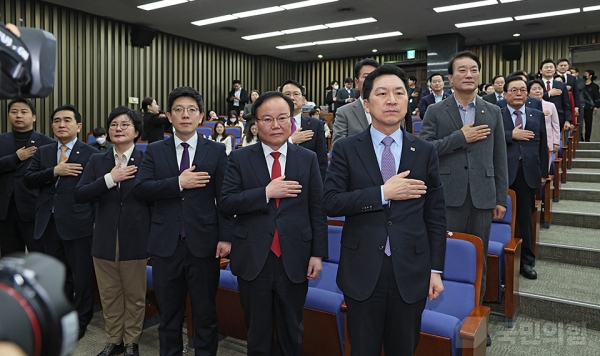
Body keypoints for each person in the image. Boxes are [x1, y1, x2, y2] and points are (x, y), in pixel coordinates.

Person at [323, 64, 446, 356]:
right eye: (382, 93)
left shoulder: (425, 150)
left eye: (399, 93)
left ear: (408, 100)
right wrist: (382, 193)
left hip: (411, 270)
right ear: (366, 103)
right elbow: (331, 201)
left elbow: (435, 214)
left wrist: (435, 269)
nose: (391, 100)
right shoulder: (346, 149)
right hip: (362, 269)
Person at [220, 91, 328, 356]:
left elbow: (317, 209)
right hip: (254, 258)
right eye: (267, 119)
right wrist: (265, 193)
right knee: (257, 331)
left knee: (292, 330)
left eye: (282, 118)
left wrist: (317, 253)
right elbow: (227, 203)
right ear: (255, 125)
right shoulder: (239, 158)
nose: (276, 125)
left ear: (292, 121)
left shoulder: (307, 158)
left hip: (295, 256)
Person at [134, 86, 232, 356]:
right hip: (166, 246)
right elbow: (141, 189)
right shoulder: (154, 150)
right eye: (178, 110)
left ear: (201, 116)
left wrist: (226, 237)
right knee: (169, 318)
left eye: (191, 110)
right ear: (169, 115)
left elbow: (224, 199)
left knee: (205, 314)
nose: (185, 115)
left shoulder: (215, 151)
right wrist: (178, 182)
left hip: (204, 244)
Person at [420, 52, 508, 347]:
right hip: (447, 197)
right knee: (441, 258)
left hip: (483, 198)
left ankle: (477, 320)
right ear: (450, 78)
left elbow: (499, 157)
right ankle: (441, 314)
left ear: (479, 76)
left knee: (478, 261)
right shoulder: (436, 111)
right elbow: (425, 150)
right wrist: (460, 137)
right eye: (462, 70)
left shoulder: (492, 111)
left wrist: (500, 198)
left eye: (474, 70)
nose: (468, 74)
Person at [74, 107, 150, 356]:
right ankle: (114, 340)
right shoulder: (98, 160)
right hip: (104, 237)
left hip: (136, 236)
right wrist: (109, 178)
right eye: (114, 125)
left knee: (135, 295)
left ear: (136, 131)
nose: (118, 128)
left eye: (125, 124)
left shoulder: (147, 159)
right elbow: (80, 193)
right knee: (109, 294)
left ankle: (132, 342)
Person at [23, 104, 99, 340]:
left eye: (67, 120)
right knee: (57, 275)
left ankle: (81, 319)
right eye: (57, 120)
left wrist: (96, 222)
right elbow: (28, 180)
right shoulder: (44, 152)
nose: (61, 124)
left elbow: (95, 191)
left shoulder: (92, 153)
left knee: (83, 276)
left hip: (79, 223)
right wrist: (55, 170)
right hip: (48, 222)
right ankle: (61, 315)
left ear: (78, 125)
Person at [501, 76, 548, 279]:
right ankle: (501, 260)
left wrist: (544, 174)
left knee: (524, 220)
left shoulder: (536, 115)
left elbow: (542, 146)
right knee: (498, 219)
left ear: (527, 94)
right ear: (505, 95)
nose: (518, 93)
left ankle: (526, 262)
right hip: (501, 173)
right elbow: (489, 136)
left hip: (528, 174)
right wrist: (512, 135)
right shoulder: (496, 113)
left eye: (522, 90)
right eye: (513, 90)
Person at [0, 98, 54, 255]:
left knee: (39, 256)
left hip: (34, 210)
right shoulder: (1, 140)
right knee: (10, 258)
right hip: (5, 212)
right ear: (8, 115)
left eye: (24, 112)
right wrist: (15, 158)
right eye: (14, 112)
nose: (18, 115)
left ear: (34, 117)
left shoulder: (46, 143)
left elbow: (50, 175)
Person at [279, 80, 328, 181]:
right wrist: (291, 141)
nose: (292, 98)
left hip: (307, 180)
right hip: (279, 178)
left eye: (296, 94)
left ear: (303, 99)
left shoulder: (315, 125)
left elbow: (322, 160)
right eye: (287, 94)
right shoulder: (273, 123)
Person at [332, 58, 381, 145]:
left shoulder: (392, 110)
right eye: (366, 77)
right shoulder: (344, 112)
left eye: (375, 77)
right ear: (357, 83)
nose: (371, 81)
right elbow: (338, 146)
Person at [528, 79, 560, 169]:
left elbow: (555, 125)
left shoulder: (550, 105)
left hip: (548, 141)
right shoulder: (525, 106)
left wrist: (556, 142)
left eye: (540, 88)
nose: (537, 91)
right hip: (531, 142)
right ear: (528, 92)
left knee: (545, 169)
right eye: (534, 89)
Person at [539, 59, 572, 131]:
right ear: (541, 71)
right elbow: (532, 99)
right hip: (540, 117)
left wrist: (567, 120)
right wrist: (548, 94)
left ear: (554, 70)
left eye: (551, 67)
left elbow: (566, 104)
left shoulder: (561, 85)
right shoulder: (536, 84)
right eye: (546, 67)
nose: (549, 69)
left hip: (558, 117)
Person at [582, 70, 600, 142]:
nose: (584, 75)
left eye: (586, 74)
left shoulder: (595, 86)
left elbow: (597, 97)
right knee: (579, 124)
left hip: (589, 107)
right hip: (580, 106)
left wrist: (596, 106)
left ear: (590, 76)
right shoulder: (580, 84)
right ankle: (580, 138)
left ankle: (587, 138)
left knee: (588, 123)